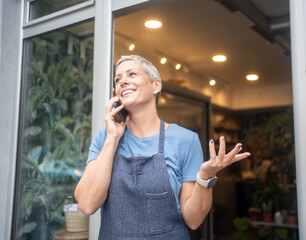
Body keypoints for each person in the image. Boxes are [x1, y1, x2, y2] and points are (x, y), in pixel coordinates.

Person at [74, 55, 251, 239]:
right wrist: (111, 140)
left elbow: (193, 220)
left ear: (156, 86)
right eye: (118, 79)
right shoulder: (104, 138)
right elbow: (87, 205)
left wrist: (205, 177)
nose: (122, 82)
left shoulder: (185, 140)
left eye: (131, 74)